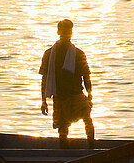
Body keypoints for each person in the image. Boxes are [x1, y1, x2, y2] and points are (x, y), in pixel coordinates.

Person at [39, 19, 94, 149]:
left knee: (87, 121)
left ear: (71, 33)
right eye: (64, 31)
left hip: (76, 96)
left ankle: (92, 149)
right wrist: (43, 101)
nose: (66, 34)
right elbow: (44, 79)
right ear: (58, 32)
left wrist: (90, 96)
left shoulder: (79, 54)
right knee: (62, 130)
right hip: (60, 97)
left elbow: (86, 76)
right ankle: (65, 154)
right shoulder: (49, 54)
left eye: (68, 31)